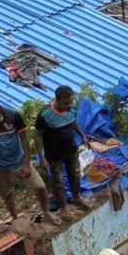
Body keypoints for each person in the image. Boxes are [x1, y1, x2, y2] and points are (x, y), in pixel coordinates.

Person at [0, 96, 58, 224]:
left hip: (18, 159)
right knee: (6, 194)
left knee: (39, 186)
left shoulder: (13, 116)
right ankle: (15, 218)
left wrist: (27, 164)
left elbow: (24, 139)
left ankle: (46, 212)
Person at [34, 85, 90, 218]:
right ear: (57, 100)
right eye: (66, 103)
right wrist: (41, 157)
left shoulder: (71, 110)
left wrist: (82, 136)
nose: (69, 105)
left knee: (75, 174)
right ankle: (64, 208)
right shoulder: (45, 114)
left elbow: (73, 123)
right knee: (58, 181)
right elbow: (38, 136)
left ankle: (77, 197)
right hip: (54, 155)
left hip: (71, 150)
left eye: (71, 102)